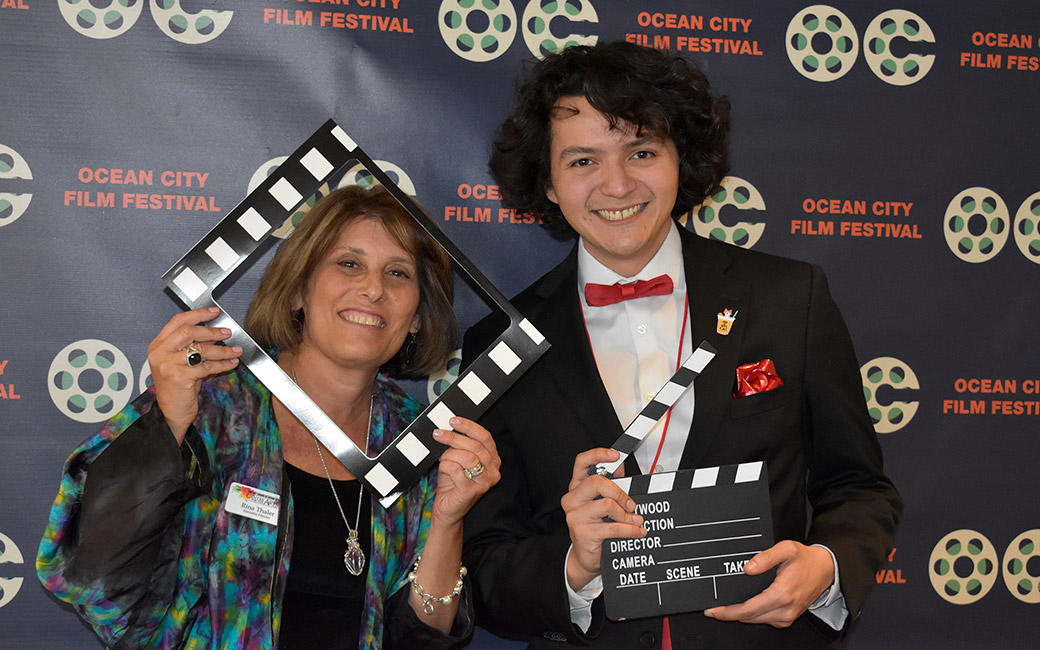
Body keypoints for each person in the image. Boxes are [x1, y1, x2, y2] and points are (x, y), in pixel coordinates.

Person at [461, 42, 902, 649]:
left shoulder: (789, 298)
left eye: (642, 151)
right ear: (549, 184)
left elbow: (860, 489)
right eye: (583, 160)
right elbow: (484, 564)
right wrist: (575, 570)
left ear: (681, 160)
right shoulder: (501, 347)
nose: (617, 185)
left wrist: (825, 569)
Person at [37, 184, 501, 649]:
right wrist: (168, 425)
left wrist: (447, 521)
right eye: (349, 263)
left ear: (418, 316)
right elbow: (88, 577)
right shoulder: (209, 403)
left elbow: (422, 638)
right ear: (299, 290)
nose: (374, 289)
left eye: (398, 273)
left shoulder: (418, 438)